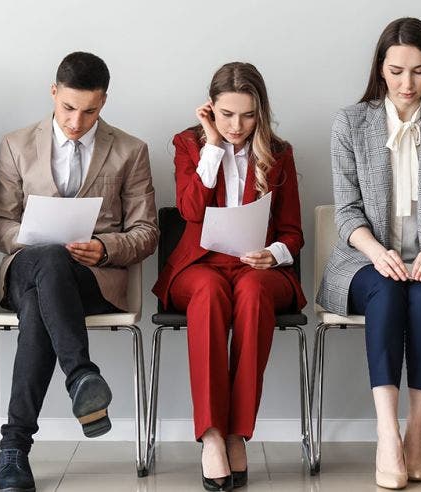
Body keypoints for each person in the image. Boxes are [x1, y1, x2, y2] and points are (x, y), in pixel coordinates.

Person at [0, 51, 158, 492]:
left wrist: (104, 248)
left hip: (93, 279)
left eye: (90, 111)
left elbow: (147, 232)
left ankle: (14, 447)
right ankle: (79, 375)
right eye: (68, 108)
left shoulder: (130, 150)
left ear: (104, 102)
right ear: (53, 93)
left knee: (44, 303)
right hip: (25, 270)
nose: (77, 121)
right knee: (47, 262)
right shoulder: (15, 144)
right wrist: (32, 240)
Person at [316, 17, 421, 490]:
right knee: (387, 289)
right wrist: (377, 251)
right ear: (380, 69)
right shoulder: (351, 121)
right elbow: (346, 212)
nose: (408, 83)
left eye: (419, 71)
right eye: (398, 71)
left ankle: (417, 432)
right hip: (364, 261)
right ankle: (388, 432)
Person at [152, 62, 305, 491]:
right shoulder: (188, 144)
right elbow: (190, 211)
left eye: (248, 115)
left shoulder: (280, 153)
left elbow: (293, 233)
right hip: (199, 267)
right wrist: (213, 146)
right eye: (227, 115)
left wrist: (273, 254)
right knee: (208, 293)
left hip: (257, 268)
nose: (237, 125)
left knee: (254, 294)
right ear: (210, 110)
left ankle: (239, 431)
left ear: (262, 112)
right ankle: (212, 435)